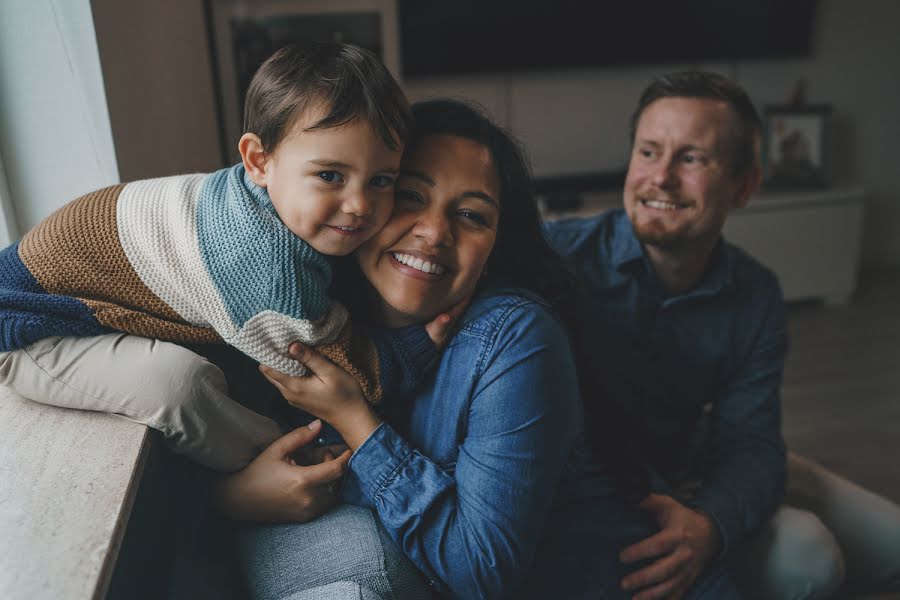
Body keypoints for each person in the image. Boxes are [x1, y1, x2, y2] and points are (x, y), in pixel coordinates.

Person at [211, 99, 742, 600]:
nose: (435, 232)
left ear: (493, 248)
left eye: (471, 216)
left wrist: (356, 421)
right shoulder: (300, 314)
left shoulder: (515, 338)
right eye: (410, 196)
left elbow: (481, 570)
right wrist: (232, 500)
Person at [544, 70, 900, 599]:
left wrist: (710, 526)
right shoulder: (555, 259)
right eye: (648, 152)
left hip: (698, 467)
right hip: (605, 491)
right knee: (811, 564)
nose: (659, 177)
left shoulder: (755, 294)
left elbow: (750, 441)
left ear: (745, 186)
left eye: (691, 159)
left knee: (894, 541)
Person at [0, 42, 438, 472]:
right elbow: (323, 369)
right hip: (34, 325)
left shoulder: (266, 198)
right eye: (330, 176)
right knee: (177, 385)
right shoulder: (267, 264)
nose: (360, 205)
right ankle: (280, 458)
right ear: (259, 161)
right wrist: (414, 346)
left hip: (66, 283)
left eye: (382, 180)